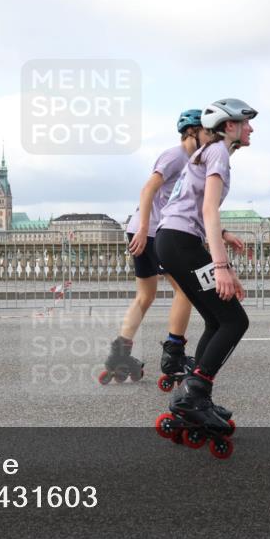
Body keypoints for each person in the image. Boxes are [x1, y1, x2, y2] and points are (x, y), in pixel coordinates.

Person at [154, 98, 255, 444]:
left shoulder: (206, 153)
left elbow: (193, 209)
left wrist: (222, 245)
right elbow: (209, 210)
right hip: (181, 243)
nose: (251, 129)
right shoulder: (219, 153)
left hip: (175, 240)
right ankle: (193, 395)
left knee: (217, 319)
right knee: (235, 320)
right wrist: (222, 267)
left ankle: (196, 394)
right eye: (246, 123)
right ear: (230, 127)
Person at [99, 110, 204, 385]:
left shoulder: (193, 161)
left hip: (146, 230)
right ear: (192, 132)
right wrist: (145, 229)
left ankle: (119, 355)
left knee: (145, 297)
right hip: (154, 231)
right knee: (186, 290)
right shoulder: (175, 156)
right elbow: (148, 189)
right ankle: (174, 355)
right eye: (205, 132)